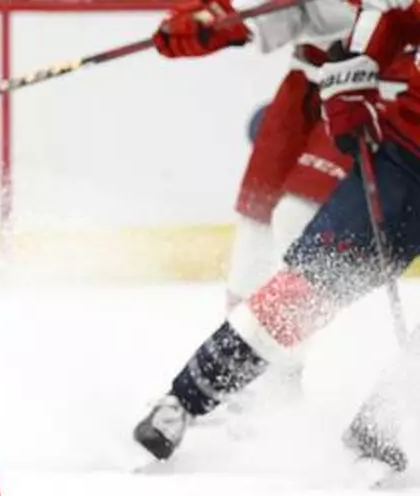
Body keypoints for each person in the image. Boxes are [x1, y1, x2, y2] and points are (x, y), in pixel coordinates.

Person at [132, 0, 420, 469]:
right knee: (285, 258)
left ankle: (380, 426)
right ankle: (203, 391)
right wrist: (216, 17)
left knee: (294, 220)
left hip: (384, 99)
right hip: (387, 133)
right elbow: (384, 12)